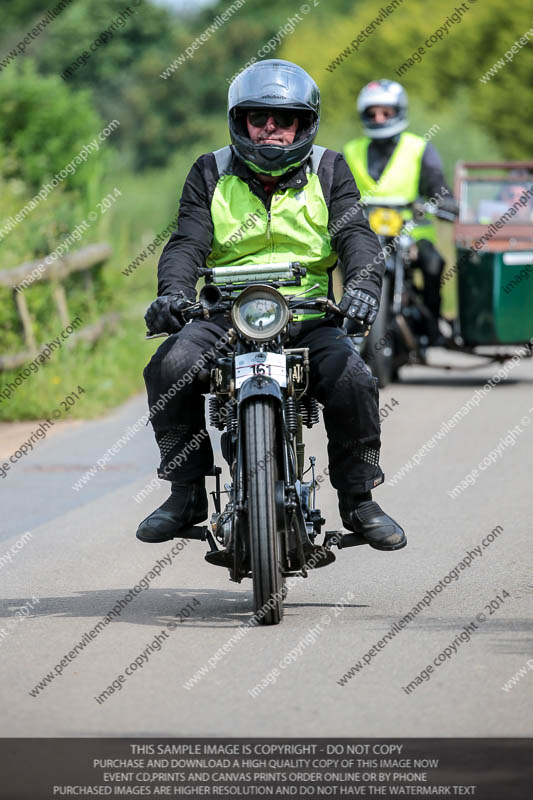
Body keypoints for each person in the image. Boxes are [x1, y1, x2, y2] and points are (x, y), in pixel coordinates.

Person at [136, 59, 406, 553]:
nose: (270, 129)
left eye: (285, 120)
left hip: (307, 315)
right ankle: (186, 492)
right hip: (224, 316)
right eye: (257, 117)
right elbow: (186, 243)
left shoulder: (329, 168)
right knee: (169, 365)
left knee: (354, 379)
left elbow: (356, 237)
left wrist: (363, 286)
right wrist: (172, 295)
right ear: (239, 122)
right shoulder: (210, 169)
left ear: (304, 124)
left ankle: (358, 498)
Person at [343, 79, 458, 345]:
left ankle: (432, 326)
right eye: (372, 113)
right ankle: (346, 319)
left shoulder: (418, 148)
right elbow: (336, 191)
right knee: (340, 259)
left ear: (399, 112)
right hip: (366, 233)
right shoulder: (351, 151)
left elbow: (437, 186)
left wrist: (446, 202)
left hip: (412, 233)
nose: (379, 118)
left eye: (386, 112)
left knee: (433, 263)